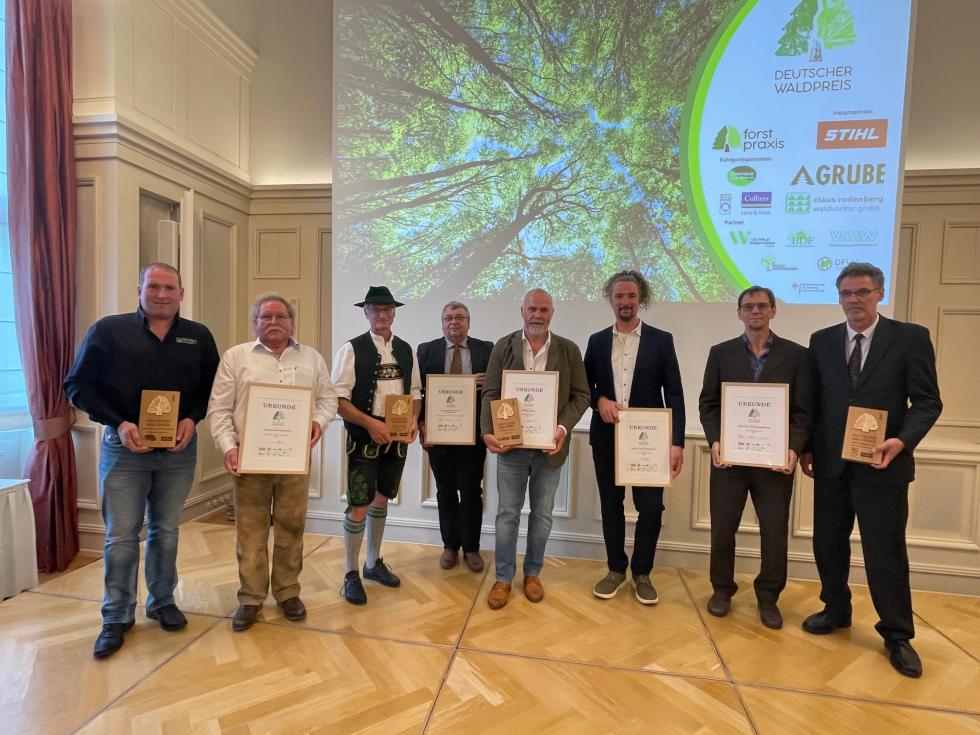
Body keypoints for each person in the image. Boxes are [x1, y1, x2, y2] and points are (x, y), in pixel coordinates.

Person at [64, 263, 220, 659]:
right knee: (121, 536)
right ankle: (116, 615)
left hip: (179, 452)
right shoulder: (108, 330)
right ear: (140, 290)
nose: (162, 294)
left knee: (166, 531)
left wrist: (192, 417)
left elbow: (212, 389)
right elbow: (77, 385)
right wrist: (118, 423)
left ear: (181, 294)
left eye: (170, 287)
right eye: (154, 286)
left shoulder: (198, 336)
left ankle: (162, 601)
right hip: (124, 450)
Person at [801, 262, 942, 678]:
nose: (853, 300)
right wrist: (807, 448)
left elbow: (928, 402)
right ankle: (836, 609)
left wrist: (903, 440)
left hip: (884, 465)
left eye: (862, 292)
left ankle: (897, 634)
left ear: (879, 293)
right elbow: (815, 400)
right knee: (828, 543)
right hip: (830, 464)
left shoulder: (910, 338)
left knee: (885, 551)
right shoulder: (822, 340)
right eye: (846, 293)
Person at [206, 293, 337, 632]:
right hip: (250, 461)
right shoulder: (236, 358)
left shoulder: (311, 358)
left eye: (281, 316)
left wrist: (318, 422)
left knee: (291, 530)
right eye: (266, 317)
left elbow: (328, 399)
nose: (274, 322)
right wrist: (228, 446)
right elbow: (218, 409)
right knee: (250, 534)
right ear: (255, 323)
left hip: (295, 462)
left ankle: (287, 592)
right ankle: (250, 598)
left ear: (292, 322)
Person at [698, 286, 811, 629]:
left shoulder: (797, 355)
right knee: (722, 529)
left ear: (774, 311)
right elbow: (709, 405)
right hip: (729, 462)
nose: (755, 311)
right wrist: (716, 440)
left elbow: (803, 411)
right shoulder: (721, 353)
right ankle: (722, 589)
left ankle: (768, 597)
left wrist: (792, 448)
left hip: (776, 464)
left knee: (774, 532)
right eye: (748, 306)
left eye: (762, 306)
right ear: (739, 312)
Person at [480, 289, 590, 609]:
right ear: (522, 311)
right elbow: (490, 392)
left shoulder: (568, 350)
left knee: (542, 515)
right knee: (507, 514)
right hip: (510, 448)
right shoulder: (504, 346)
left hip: (549, 449)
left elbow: (581, 396)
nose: (537, 315)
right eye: (532, 309)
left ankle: (532, 573)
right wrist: (488, 431)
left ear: (552, 313)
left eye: (544, 309)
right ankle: (503, 577)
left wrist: (561, 427)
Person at [584, 271, 685, 606]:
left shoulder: (662, 339)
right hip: (607, 439)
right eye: (618, 296)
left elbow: (675, 394)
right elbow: (584, 388)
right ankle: (615, 570)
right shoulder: (597, 341)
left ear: (641, 298)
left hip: (650, 441)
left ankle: (642, 573)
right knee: (611, 507)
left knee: (651, 508)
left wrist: (677, 442)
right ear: (610, 300)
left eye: (630, 296)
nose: (625, 302)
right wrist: (599, 401)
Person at [332, 286, 422, 605]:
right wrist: (370, 423)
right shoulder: (352, 349)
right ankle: (350, 572)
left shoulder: (407, 349)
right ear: (366, 313)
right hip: (363, 439)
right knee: (359, 503)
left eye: (386, 309)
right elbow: (338, 400)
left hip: (397, 440)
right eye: (375, 309)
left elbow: (415, 395)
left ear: (394, 313)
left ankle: (372, 563)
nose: (381, 314)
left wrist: (412, 421)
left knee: (382, 500)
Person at [417, 301, 494, 572]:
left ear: (468, 322)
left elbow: (496, 390)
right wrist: (420, 423)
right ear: (441, 323)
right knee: (445, 491)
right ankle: (450, 545)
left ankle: (472, 548)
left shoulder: (487, 349)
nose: (454, 322)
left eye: (460, 317)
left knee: (472, 491)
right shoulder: (426, 351)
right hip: (438, 436)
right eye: (448, 317)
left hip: (473, 436)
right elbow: (418, 392)